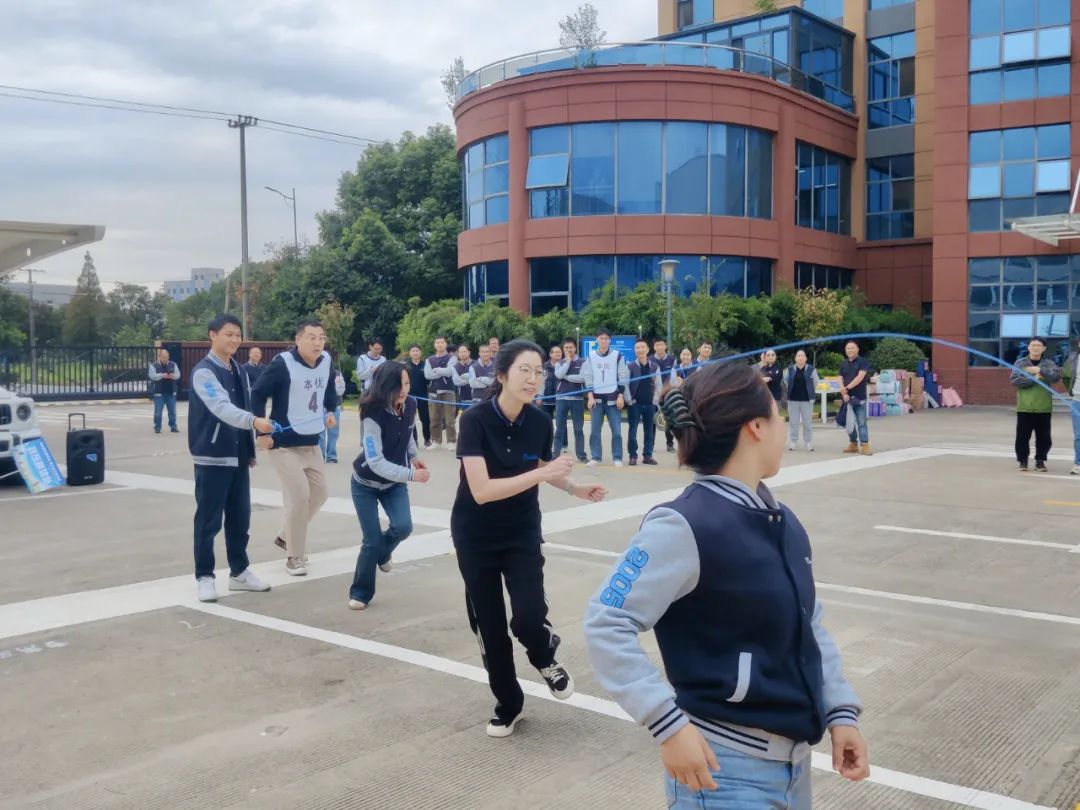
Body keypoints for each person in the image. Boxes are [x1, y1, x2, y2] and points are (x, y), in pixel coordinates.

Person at [583, 361, 869, 807]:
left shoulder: (782, 521)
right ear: (755, 426)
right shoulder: (684, 524)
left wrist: (840, 712)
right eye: (776, 414)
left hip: (794, 768)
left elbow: (809, 625)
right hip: (723, 772)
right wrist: (667, 724)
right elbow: (606, 620)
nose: (781, 426)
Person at [452, 340, 607, 737]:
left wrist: (573, 487)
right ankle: (509, 703)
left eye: (539, 371)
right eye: (525, 369)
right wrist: (542, 474)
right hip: (475, 535)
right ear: (502, 374)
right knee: (490, 626)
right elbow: (482, 490)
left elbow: (537, 463)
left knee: (528, 614)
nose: (533, 378)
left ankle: (543, 655)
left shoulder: (540, 421)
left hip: (521, 530)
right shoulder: (474, 421)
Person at [188, 314, 274, 603]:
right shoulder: (204, 372)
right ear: (212, 335)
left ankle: (239, 572)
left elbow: (245, 404)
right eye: (229, 334)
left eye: (238, 334)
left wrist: (250, 448)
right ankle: (205, 577)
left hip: (238, 456)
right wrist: (254, 422)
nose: (235, 339)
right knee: (208, 521)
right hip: (212, 457)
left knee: (240, 518)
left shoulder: (239, 369)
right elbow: (221, 408)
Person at [251, 320, 339, 576]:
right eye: (311, 337)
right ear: (298, 340)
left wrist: (330, 410)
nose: (317, 343)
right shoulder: (283, 363)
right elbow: (257, 393)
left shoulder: (326, 361)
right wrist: (261, 431)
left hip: (311, 442)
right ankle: (294, 556)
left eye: (321, 337)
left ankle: (284, 536)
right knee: (299, 496)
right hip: (283, 444)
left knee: (320, 494)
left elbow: (329, 390)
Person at [348, 360, 430, 610]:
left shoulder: (411, 404)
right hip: (365, 483)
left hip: (394, 484)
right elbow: (375, 462)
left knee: (404, 527)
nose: (403, 390)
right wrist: (411, 475)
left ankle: (383, 553)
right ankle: (361, 592)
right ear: (385, 386)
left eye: (406, 383)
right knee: (371, 541)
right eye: (398, 385)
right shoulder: (372, 413)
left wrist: (413, 456)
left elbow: (408, 431)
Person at [1010, 337, 1061, 473]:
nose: (1035, 347)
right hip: (1025, 407)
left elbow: (1055, 377)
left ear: (1044, 348)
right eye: (1033, 345)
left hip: (1043, 407)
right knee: (1022, 437)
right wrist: (1033, 378)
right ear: (1028, 347)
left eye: (1039, 345)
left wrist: (1039, 370)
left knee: (1044, 438)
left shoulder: (1049, 363)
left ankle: (1040, 461)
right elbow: (1015, 381)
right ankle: (1023, 461)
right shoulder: (1020, 363)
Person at [583, 328, 630, 467]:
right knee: (594, 431)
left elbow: (623, 376)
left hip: (613, 400)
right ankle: (596, 457)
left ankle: (617, 457)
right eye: (601, 338)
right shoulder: (591, 356)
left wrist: (620, 396)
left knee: (617, 432)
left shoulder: (617, 356)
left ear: (610, 340)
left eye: (606, 338)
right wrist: (590, 397)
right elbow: (588, 376)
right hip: (596, 400)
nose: (604, 341)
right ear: (596, 339)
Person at [627, 339, 662, 467]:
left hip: (650, 404)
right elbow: (625, 384)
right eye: (637, 348)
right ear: (634, 350)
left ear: (647, 350)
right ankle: (633, 456)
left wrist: (655, 401)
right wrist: (629, 400)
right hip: (634, 404)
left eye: (642, 347)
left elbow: (658, 385)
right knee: (632, 432)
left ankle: (647, 456)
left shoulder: (654, 367)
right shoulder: (630, 366)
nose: (640, 350)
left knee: (649, 432)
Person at [553, 338, 588, 462]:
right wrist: (567, 362)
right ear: (563, 349)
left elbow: (582, 378)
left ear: (575, 348)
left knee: (578, 429)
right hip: (561, 398)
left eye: (571, 347)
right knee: (559, 428)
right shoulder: (560, 362)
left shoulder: (583, 361)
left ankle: (581, 455)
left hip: (577, 399)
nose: (569, 350)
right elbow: (559, 375)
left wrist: (567, 377)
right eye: (566, 348)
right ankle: (555, 453)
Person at [839, 341, 872, 456]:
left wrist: (847, 388)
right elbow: (840, 378)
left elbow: (859, 377)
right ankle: (853, 444)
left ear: (857, 349)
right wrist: (843, 391)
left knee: (861, 422)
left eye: (852, 348)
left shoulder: (863, 362)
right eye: (848, 348)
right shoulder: (843, 363)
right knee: (849, 422)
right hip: (846, 398)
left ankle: (865, 445)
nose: (850, 350)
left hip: (859, 397)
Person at [424, 336, 457, 449]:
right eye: (437, 342)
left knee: (449, 418)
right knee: (434, 418)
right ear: (434, 345)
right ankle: (436, 441)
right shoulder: (429, 359)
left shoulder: (452, 358)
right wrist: (442, 371)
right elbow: (428, 375)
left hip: (448, 391)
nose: (440, 344)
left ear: (446, 344)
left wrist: (436, 370)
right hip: (433, 392)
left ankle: (451, 441)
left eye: (442, 342)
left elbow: (450, 372)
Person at [785, 350, 820, 452]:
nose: (800, 357)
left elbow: (816, 382)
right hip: (793, 400)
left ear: (806, 358)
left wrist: (810, 391)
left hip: (807, 400)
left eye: (802, 356)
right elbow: (786, 381)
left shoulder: (812, 370)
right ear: (795, 358)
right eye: (799, 356)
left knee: (807, 423)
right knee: (793, 422)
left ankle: (808, 442)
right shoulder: (790, 369)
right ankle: (793, 441)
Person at [652, 339, 677, 453]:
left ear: (665, 346)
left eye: (661, 344)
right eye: (657, 345)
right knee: (652, 420)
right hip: (653, 394)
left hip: (668, 394)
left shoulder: (672, 360)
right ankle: (650, 444)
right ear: (654, 347)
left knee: (669, 420)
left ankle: (670, 444)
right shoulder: (650, 360)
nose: (659, 347)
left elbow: (674, 377)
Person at [406, 344, 432, 449]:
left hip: (423, 396)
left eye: (417, 351)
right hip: (410, 396)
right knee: (411, 420)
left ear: (420, 352)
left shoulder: (426, 365)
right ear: (410, 353)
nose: (415, 353)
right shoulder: (406, 366)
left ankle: (427, 439)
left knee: (425, 419)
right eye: (413, 351)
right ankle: (414, 440)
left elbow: (429, 381)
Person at [149, 348, 180, 434]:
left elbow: (178, 375)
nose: (165, 359)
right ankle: (157, 427)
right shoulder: (154, 365)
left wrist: (172, 376)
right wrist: (162, 375)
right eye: (163, 357)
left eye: (166, 357)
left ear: (168, 357)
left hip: (171, 392)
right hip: (159, 393)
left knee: (172, 412)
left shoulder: (173, 364)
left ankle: (173, 426)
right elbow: (152, 376)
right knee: (158, 412)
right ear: (159, 357)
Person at [319, 367, 346, 463]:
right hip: (319, 406)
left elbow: (340, 390)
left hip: (335, 405)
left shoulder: (337, 373)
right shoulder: (316, 372)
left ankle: (331, 455)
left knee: (333, 432)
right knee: (320, 432)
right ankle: (321, 455)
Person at [1062, 337, 1080, 475]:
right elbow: (1066, 376)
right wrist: (1072, 390)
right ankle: (1078, 463)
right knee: (1079, 435)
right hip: (1077, 401)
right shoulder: (1073, 358)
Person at [540, 344, 562, 422]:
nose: (558, 354)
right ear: (550, 354)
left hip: (560, 399)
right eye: (556, 352)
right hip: (546, 399)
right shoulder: (543, 366)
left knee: (561, 423)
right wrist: (539, 396)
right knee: (545, 423)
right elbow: (540, 382)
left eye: (560, 352)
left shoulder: (565, 365)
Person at [452, 344, 475, 412]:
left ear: (469, 352)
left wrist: (463, 377)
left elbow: (479, 379)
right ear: (458, 354)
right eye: (460, 352)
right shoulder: (455, 367)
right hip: (463, 398)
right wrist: (472, 379)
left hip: (477, 398)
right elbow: (457, 382)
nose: (462, 354)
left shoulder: (476, 364)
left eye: (464, 351)